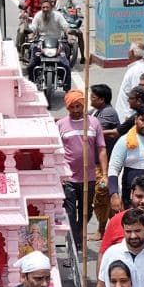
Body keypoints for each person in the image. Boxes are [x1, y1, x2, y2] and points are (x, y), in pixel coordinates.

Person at [57, 89, 108, 245]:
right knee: (70, 212)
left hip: (89, 177)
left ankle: (79, 232)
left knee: (86, 211)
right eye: (72, 107)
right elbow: (56, 152)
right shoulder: (60, 125)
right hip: (68, 178)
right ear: (67, 108)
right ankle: (74, 241)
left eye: (79, 106)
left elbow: (101, 149)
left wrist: (105, 174)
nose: (76, 110)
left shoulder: (94, 123)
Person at [115, 42, 144, 122]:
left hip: (127, 115)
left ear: (132, 52)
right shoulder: (136, 68)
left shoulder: (137, 70)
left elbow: (136, 94)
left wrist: (129, 116)